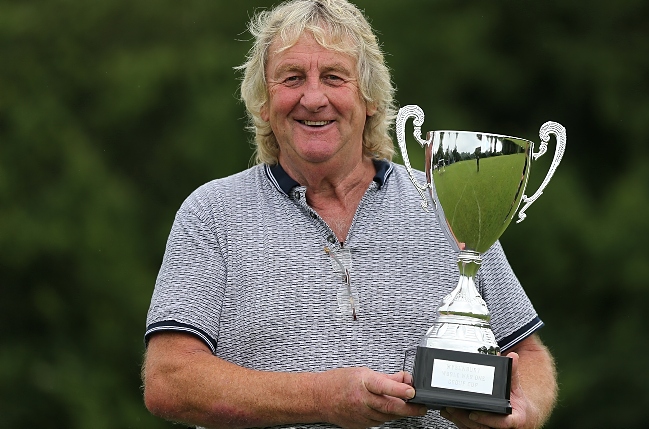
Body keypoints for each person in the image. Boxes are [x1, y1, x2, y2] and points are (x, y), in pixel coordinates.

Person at [142, 1, 557, 428]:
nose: (314, 98)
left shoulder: (447, 199)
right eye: (292, 78)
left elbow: (528, 354)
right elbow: (169, 380)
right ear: (263, 102)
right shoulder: (212, 213)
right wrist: (322, 398)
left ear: (371, 98)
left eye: (335, 77)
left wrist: (524, 411)